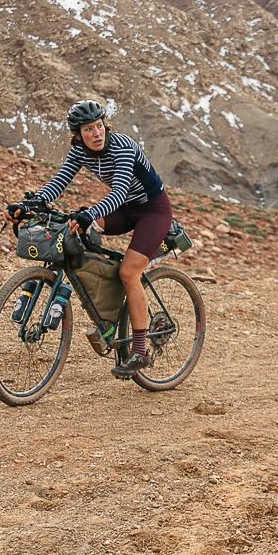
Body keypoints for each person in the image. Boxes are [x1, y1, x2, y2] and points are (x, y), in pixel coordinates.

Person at [27, 99, 172, 376]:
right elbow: (60, 180)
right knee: (79, 231)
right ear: (78, 135)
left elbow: (118, 191)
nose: (96, 133)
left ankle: (140, 352)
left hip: (153, 210)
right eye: (88, 129)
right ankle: (107, 314)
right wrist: (33, 201)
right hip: (124, 210)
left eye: (98, 126)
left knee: (129, 272)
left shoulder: (122, 146)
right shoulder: (79, 151)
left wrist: (89, 213)